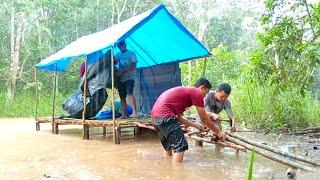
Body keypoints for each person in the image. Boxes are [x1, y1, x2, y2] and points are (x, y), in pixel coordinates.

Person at [151, 77, 226, 164]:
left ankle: (168, 170)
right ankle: (177, 175)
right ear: (202, 88)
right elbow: (204, 118)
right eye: (206, 93)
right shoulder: (196, 93)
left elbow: (179, 118)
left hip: (155, 118)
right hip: (165, 116)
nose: (205, 96)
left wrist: (196, 125)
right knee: (180, 147)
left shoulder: (184, 95)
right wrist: (219, 132)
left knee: (168, 147)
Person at [115, 40, 138, 118]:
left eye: (123, 45)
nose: (122, 47)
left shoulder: (131, 53)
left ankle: (135, 112)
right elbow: (115, 62)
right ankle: (124, 114)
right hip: (121, 79)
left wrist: (123, 70)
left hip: (129, 77)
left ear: (125, 45)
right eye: (120, 46)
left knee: (130, 93)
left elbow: (133, 66)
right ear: (119, 47)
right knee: (122, 97)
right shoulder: (117, 55)